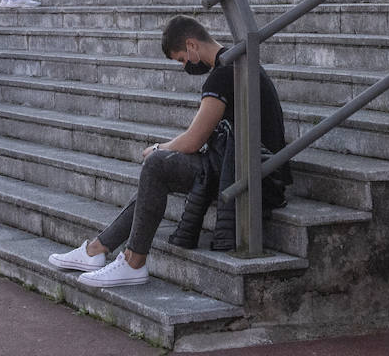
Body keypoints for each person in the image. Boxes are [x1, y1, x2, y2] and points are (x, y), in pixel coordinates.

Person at [47, 15, 289, 288]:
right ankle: (96, 250)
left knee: (157, 164)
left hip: (252, 174)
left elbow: (193, 141)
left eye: (182, 59)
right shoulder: (239, 63)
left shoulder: (222, 75)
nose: (185, 66)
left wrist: (157, 148)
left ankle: (133, 262)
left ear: (192, 45)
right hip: (253, 167)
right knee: (158, 170)